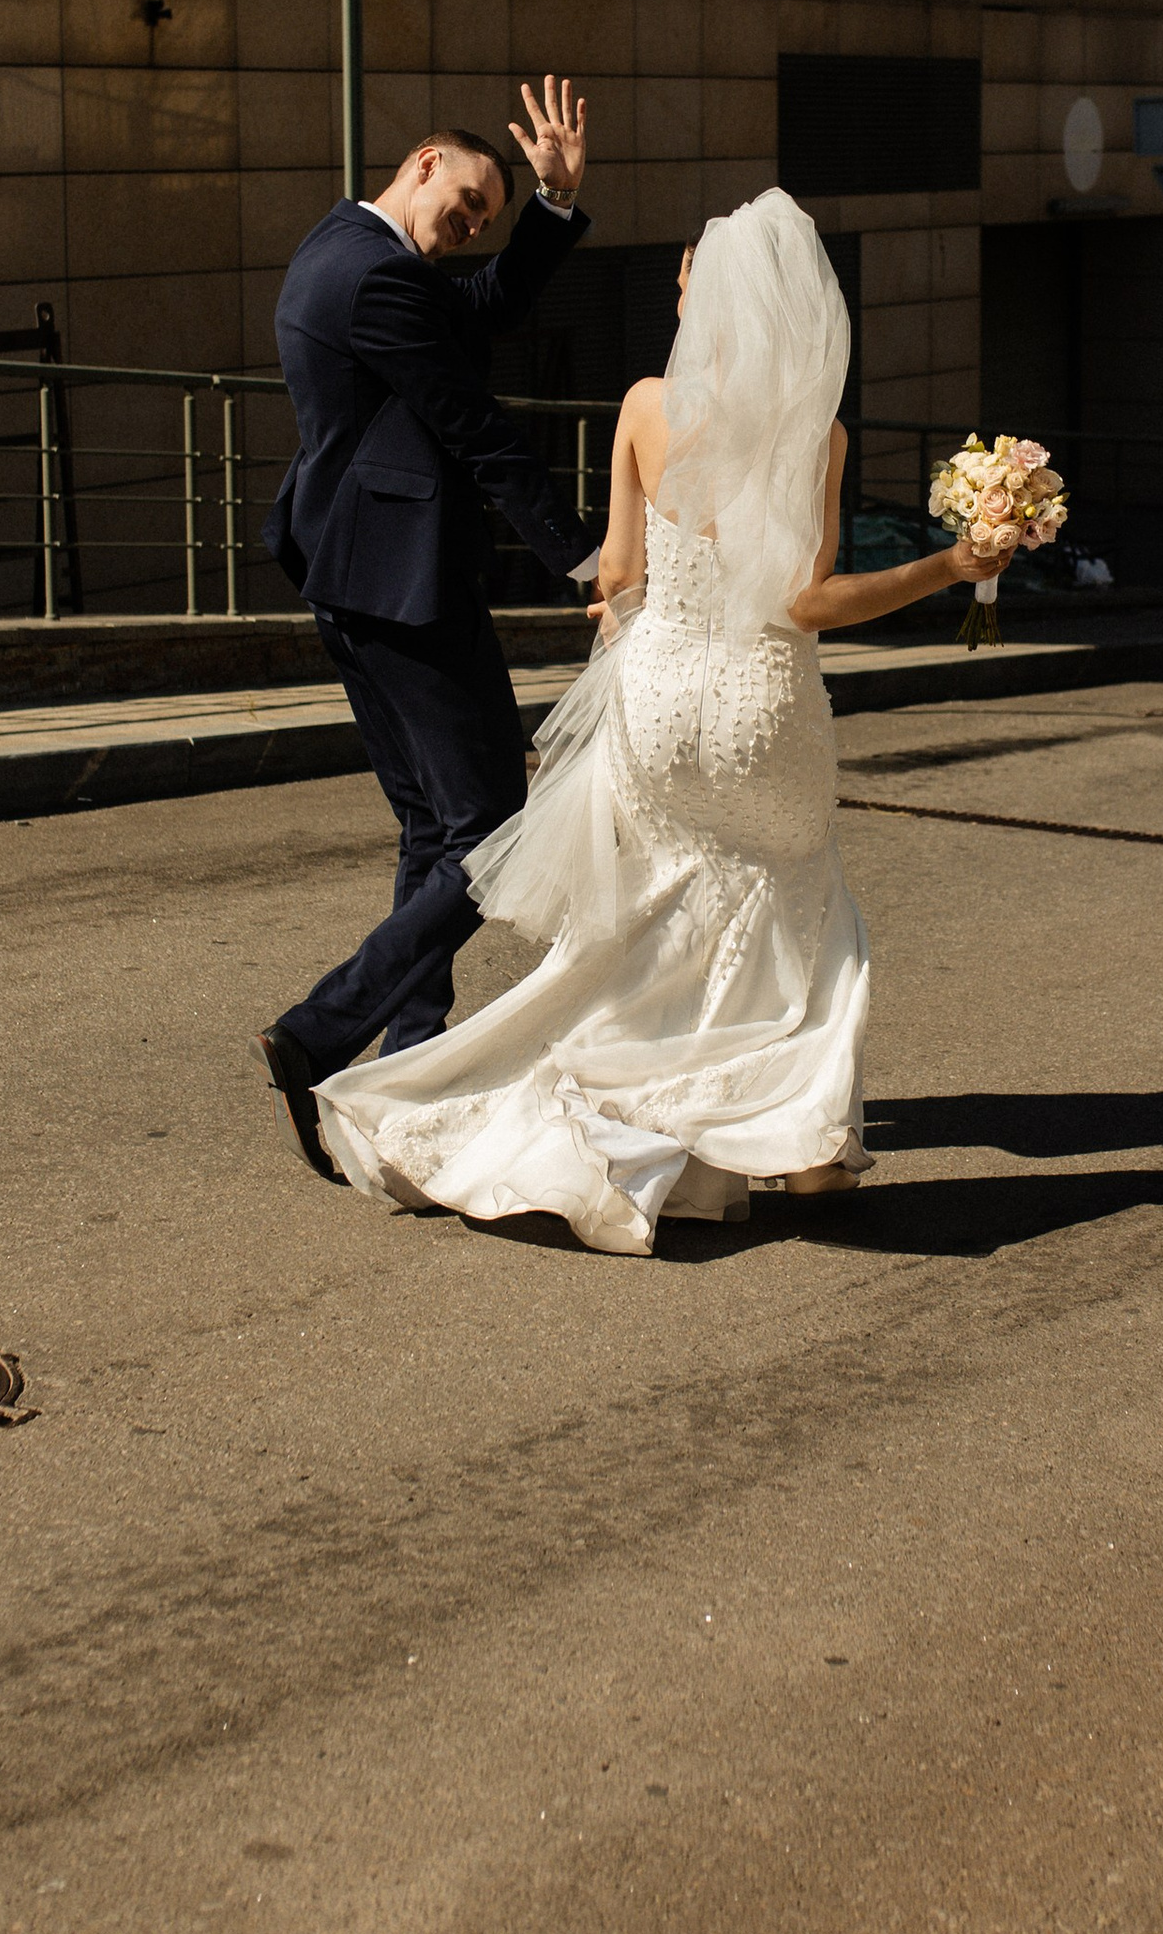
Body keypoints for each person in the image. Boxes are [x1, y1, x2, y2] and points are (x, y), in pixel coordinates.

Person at [313, 186, 1007, 1255]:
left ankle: (628, 1102)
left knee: (648, 917)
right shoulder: (811, 433)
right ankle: (804, 1147)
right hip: (759, 708)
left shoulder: (643, 405)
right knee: (790, 909)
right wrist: (952, 566)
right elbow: (806, 605)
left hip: (657, 695)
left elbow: (623, 575)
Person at [257, 85, 599, 1179]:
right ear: (419, 165)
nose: (470, 228)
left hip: (356, 572)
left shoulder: (345, 248)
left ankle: (409, 1059)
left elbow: (485, 308)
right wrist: (585, 560)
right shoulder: (376, 281)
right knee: (495, 823)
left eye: (484, 218)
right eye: (465, 201)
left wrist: (549, 201)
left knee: (429, 824)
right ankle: (327, 1025)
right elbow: (475, 426)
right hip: (400, 580)